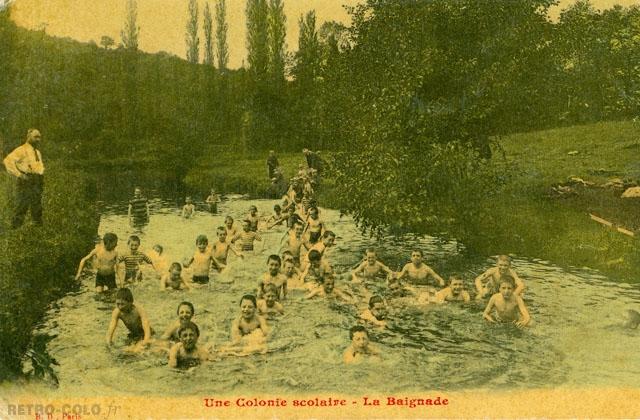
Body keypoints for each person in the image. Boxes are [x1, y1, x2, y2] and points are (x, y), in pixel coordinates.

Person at [3, 129, 45, 228]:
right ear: (28, 137)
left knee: (37, 205)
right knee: (22, 205)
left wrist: (40, 177)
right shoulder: (21, 150)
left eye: (39, 137)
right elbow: (7, 161)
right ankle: (15, 229)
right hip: (25, 180)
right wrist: (19, 175)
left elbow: (39, 167)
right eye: (35, 137)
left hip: (37, 180)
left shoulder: (37, 152)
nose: (38, 139)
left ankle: (38, 228)